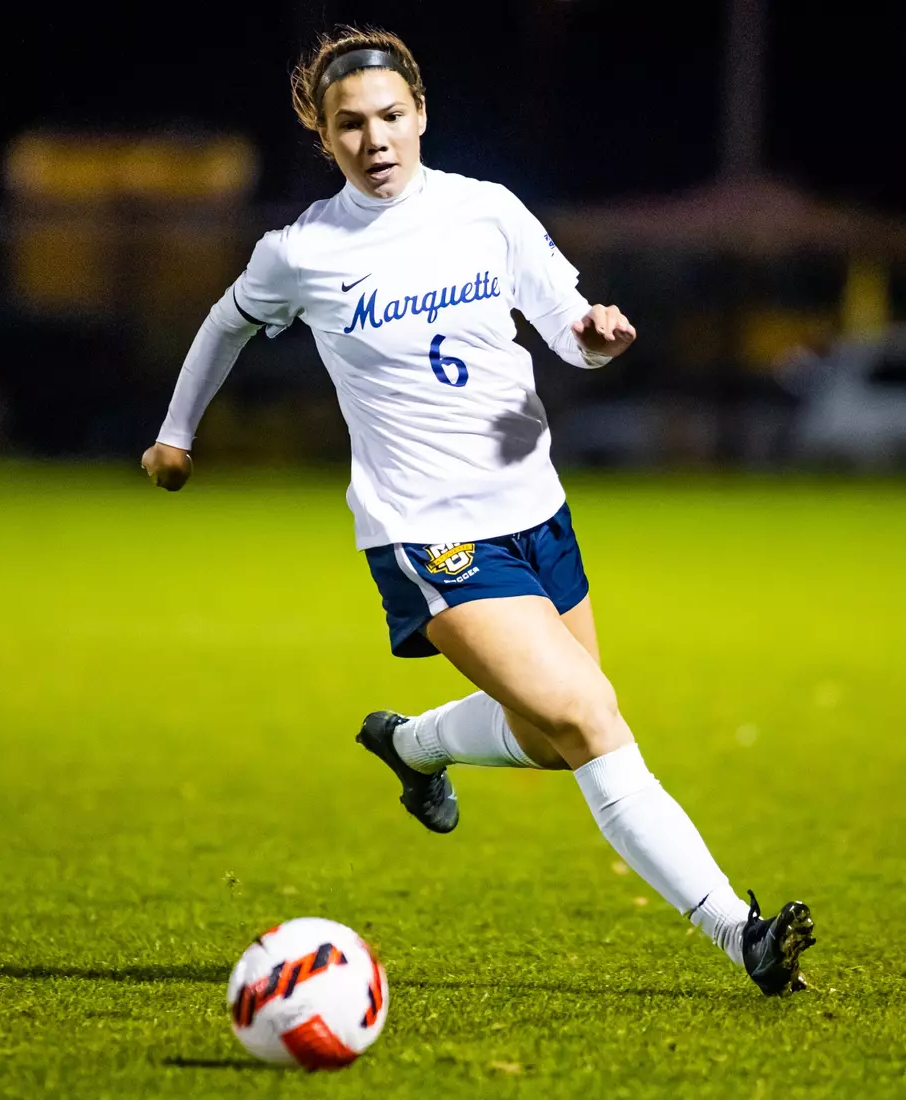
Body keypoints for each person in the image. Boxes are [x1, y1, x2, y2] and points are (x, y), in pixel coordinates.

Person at [142, 26, 815, 995]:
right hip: (428, 532)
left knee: (548, 738)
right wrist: (175, 434)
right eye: (348, 125)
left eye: (389, 115)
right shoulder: (300, 252)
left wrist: (594, 334)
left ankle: (410, 744)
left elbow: (566, 326)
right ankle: (738, 930)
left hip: (536, 511)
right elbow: (223, 323)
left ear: (420, 113)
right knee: (587, 713)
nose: (373, 139)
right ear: (322, 136)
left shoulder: (486, 211)